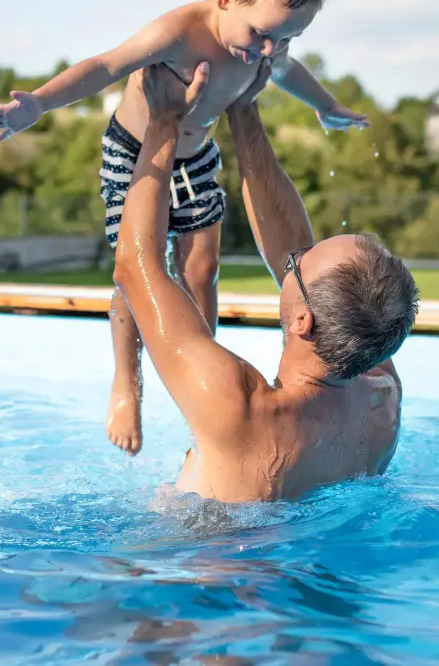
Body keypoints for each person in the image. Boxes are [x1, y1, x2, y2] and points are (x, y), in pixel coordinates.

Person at [0, 0, 369, 456]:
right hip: (135, 155)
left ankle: (204, 378)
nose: (269, 51)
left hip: (198, 156)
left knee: (203, 268)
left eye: (287, 38)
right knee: (137, 272)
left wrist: (327, 107)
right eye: (261, 33)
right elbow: (106, 66)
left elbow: (290, 74)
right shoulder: (181, 32)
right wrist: (38, 105)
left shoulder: (262, 48)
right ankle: (125, 384)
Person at [110, 59, 420, 503]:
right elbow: (291, 245)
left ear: (303, 322)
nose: (293, 255)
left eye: (299, 261)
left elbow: (135, 267)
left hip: (202, 557)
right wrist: (243, 109)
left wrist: (164, 120)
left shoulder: (239, 408)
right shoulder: (381, 394)